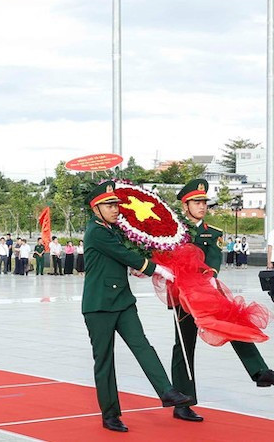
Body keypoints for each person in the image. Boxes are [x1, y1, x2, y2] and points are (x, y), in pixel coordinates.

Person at [171, 180, 274, 423]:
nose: (202, 206)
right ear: (185, 206)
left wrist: (210, 276)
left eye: (204, 202)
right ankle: (183, 402)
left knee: (234, 323)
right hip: (183, 295)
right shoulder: (173, 232)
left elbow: (214, 257)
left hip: (207, 291)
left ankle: (260, 371)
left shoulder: (212, 232)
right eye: (196, 202)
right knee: (184, 346)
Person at [81, 182, 192, 432]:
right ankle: (110, 414)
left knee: (142, 346)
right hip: (99, 306)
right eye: (109, 206)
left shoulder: (111, 230)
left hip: (122, 301)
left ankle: (167, 391)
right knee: (105, 361)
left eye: (115, 205)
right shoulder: (96, 232)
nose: (115, 209)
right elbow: (124, 254)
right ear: (95, 209)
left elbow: (120, 258)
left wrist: (138, 268)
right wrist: (155, 268)